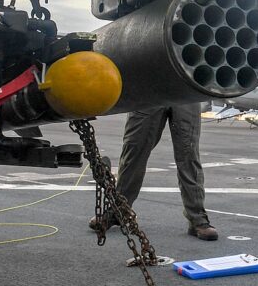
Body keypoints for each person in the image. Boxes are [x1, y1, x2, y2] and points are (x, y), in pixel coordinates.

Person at [90, 102, 218, 241]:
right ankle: (118, 211)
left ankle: (198, 218)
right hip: (149, 94)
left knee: (189, 155)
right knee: (134, 151)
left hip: (186, 94)